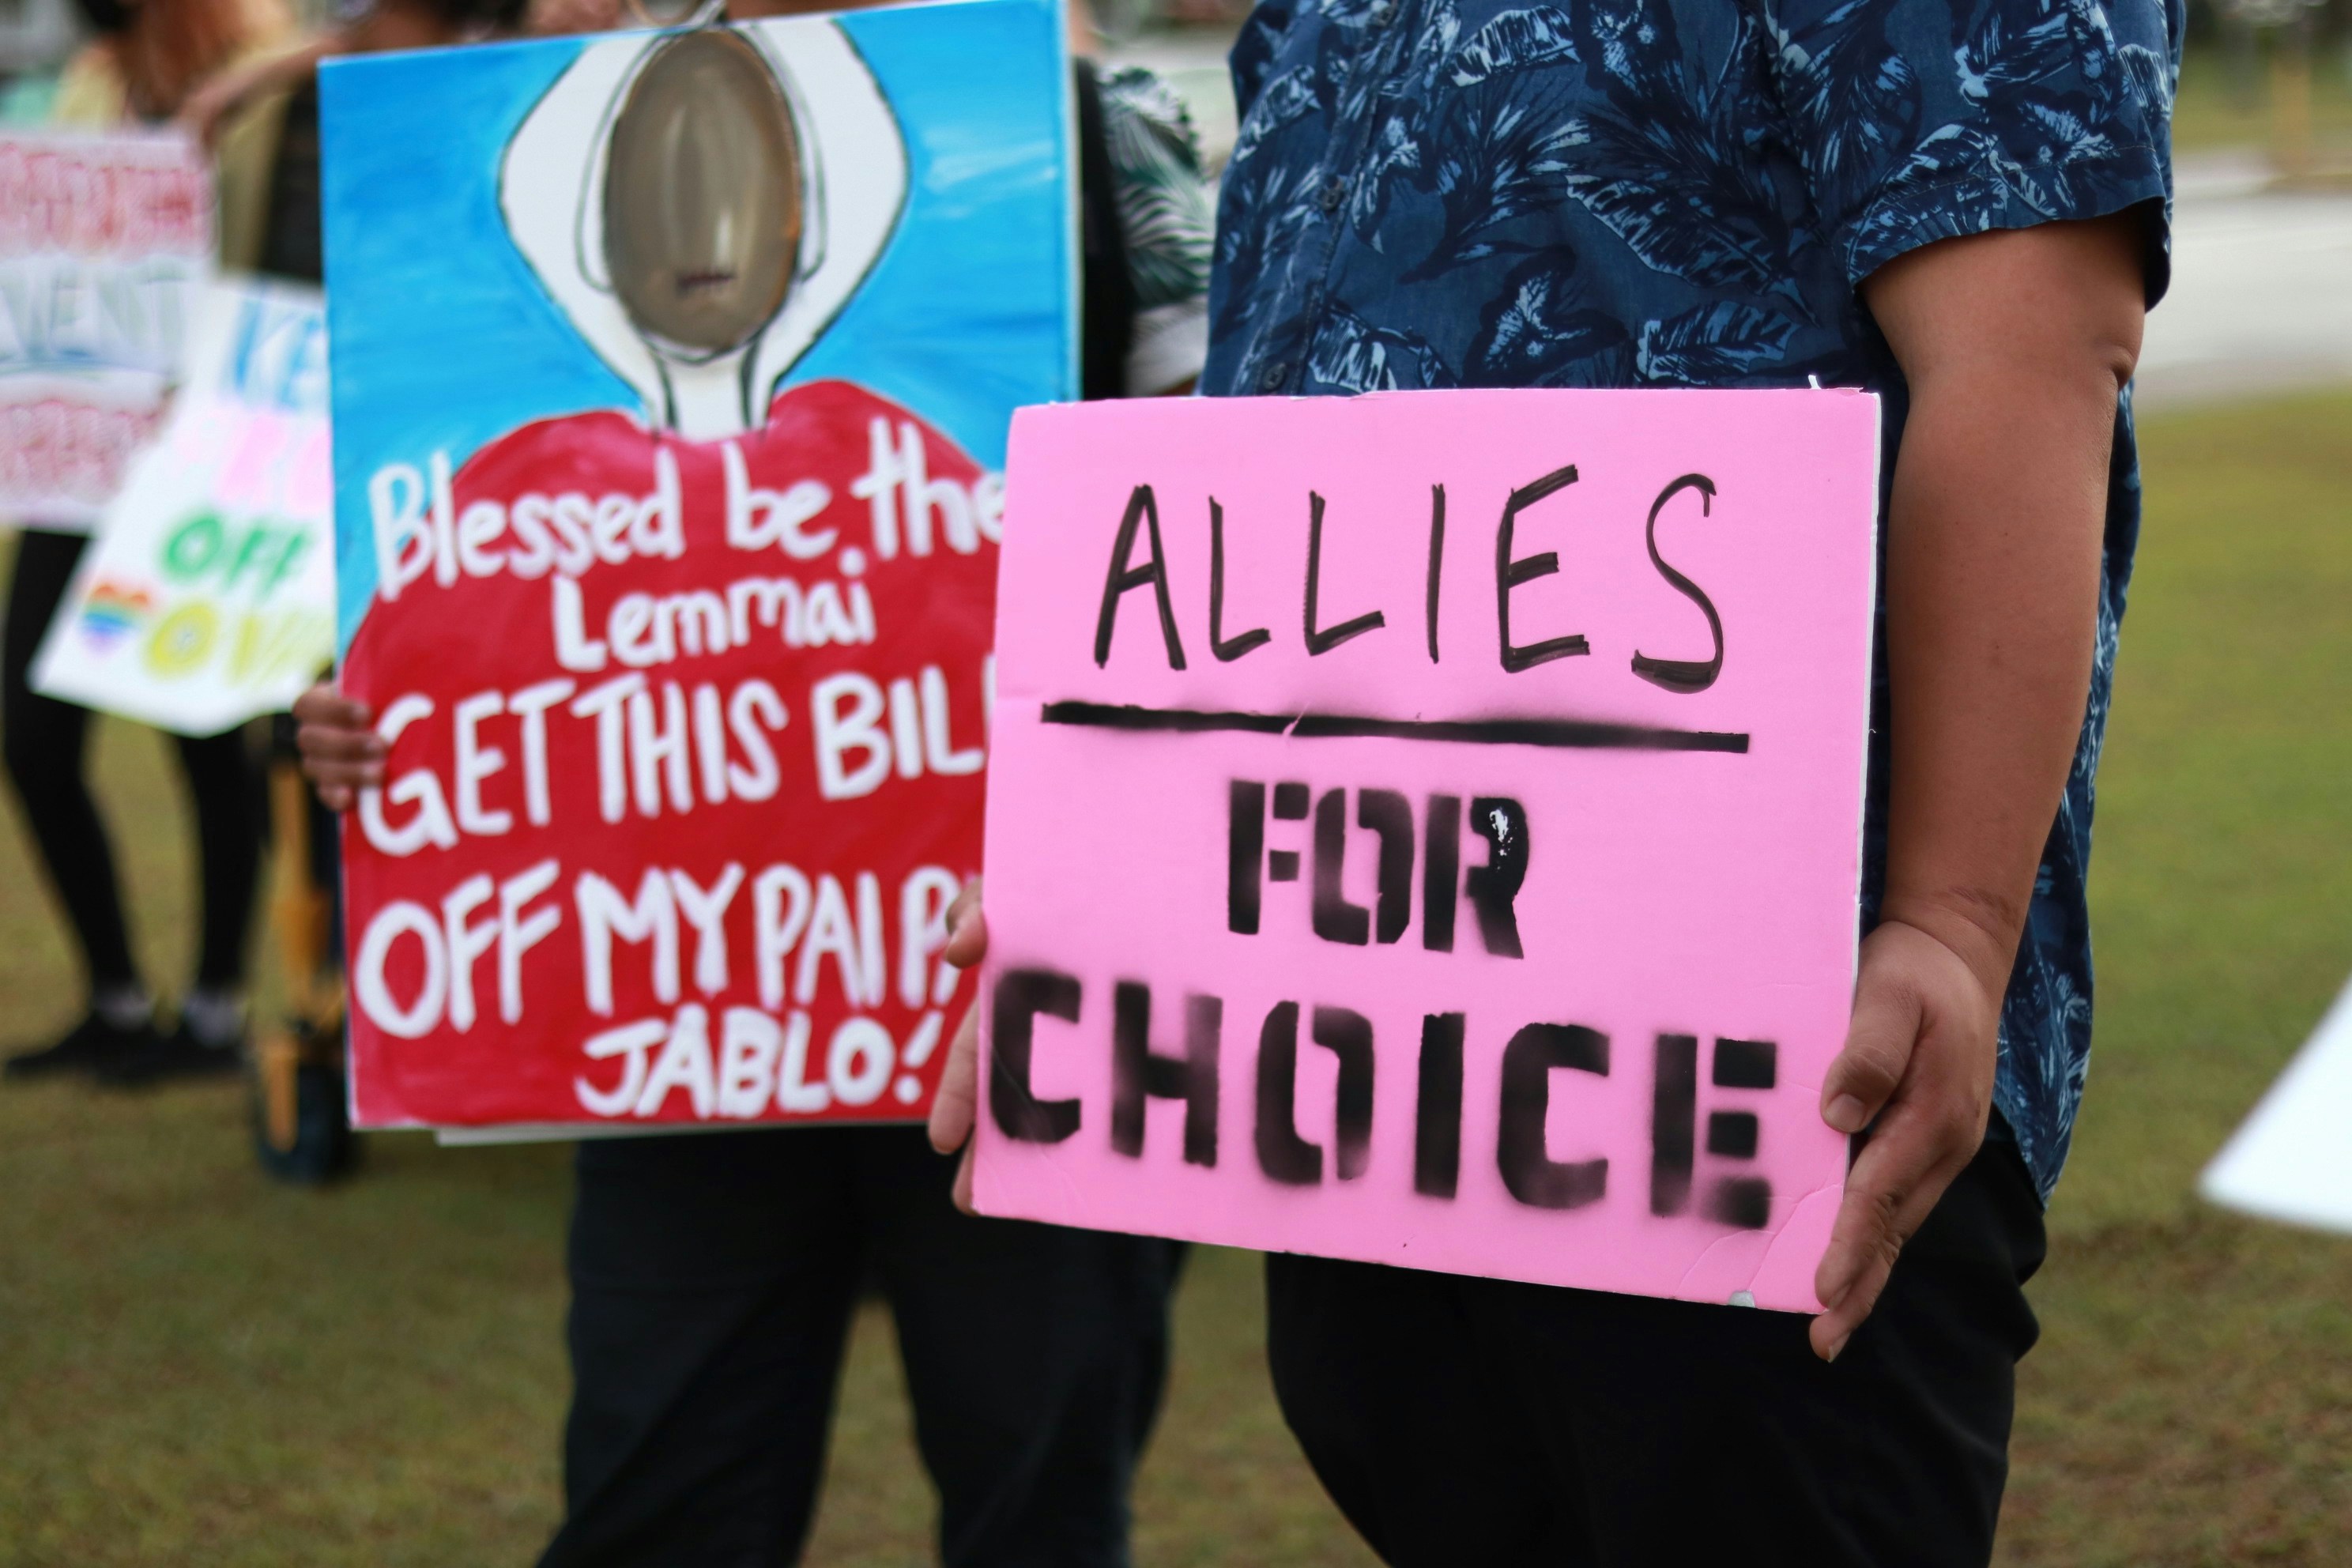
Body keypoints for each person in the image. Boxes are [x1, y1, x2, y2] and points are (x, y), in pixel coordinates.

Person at [929, 0, 2179, 1563]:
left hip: (1766, 1046)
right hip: (1366, 1058)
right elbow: (1269, 426)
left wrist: (1951, 915)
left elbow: (2029, 347)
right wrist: (1117, 864)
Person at [295, 3, 1215, 1561]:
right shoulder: (570, 185)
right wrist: (382, 724)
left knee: (1039, 1489)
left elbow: (1231, 525)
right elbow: (462, 615)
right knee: (663, 1489)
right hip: (680, 1015)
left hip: (1025, 986)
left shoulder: (1096, 138)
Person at [2, 0, 296, 1085]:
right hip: (75, 457)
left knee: (203, 729)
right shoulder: (89, 87)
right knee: (30, 733)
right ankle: (116, 994)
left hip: (203, 457)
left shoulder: (271, 79)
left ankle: (214, 1007)